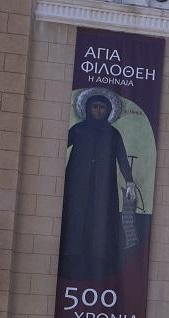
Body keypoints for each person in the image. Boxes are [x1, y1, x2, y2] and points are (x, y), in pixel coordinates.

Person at [59, 92, 136, 281]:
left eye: (102, 108)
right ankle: (71, 256)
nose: (98, 111)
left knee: (100, 219)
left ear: (108, 110)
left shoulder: (113, 133)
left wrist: (130, 181)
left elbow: (122, 159)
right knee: (76, 217)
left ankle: (99, 259)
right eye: (95, 107)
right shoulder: (78, 130)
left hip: (103, 186)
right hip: (77, 184)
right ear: (87, 109)